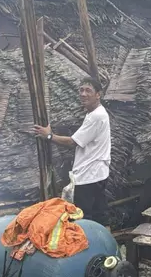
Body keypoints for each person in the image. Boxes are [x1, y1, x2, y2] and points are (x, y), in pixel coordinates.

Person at [32, 77, 111, 225]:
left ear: (98, 94)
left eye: (88, 90)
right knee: (100, 213)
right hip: (97, 172)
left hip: (89, 175)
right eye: (81, 90)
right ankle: (106, 242)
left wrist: (48, 136)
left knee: (84, 217)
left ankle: (89, 244)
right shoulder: (95, 113)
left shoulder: (96, 116)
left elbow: (72, 142)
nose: (83, 94)